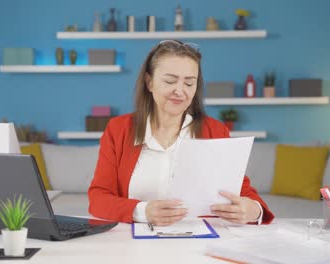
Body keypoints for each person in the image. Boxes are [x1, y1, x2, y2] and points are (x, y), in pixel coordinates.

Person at [88, 40, 274, 226]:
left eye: (189, 83)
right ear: (149, 82)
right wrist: (142, 211)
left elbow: (246, 194)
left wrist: (252, 210)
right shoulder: (119, 129)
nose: (180, 91)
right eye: (170, 81)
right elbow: (98, 198)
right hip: (132, 244)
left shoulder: (215, 131)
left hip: (201, 244)